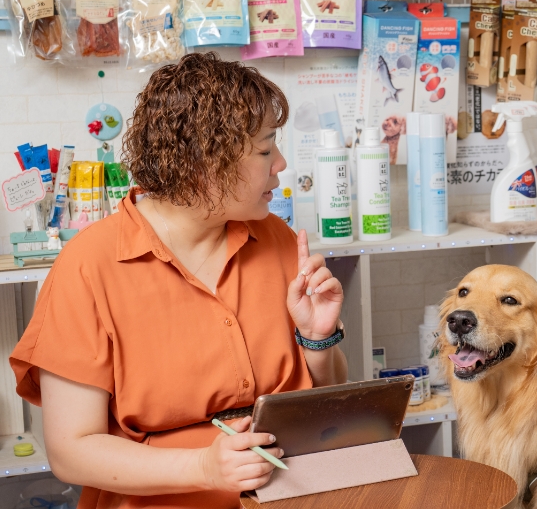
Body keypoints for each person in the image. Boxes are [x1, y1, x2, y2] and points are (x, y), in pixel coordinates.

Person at [10, 53, 348, 509]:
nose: (281, 163)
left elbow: (326, 399)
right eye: (266, 149)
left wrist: (318, 340)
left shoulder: (279, 239)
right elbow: (71, 451)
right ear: (207, 162)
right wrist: (203, 468)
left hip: (291, 493)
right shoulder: (89, 268)